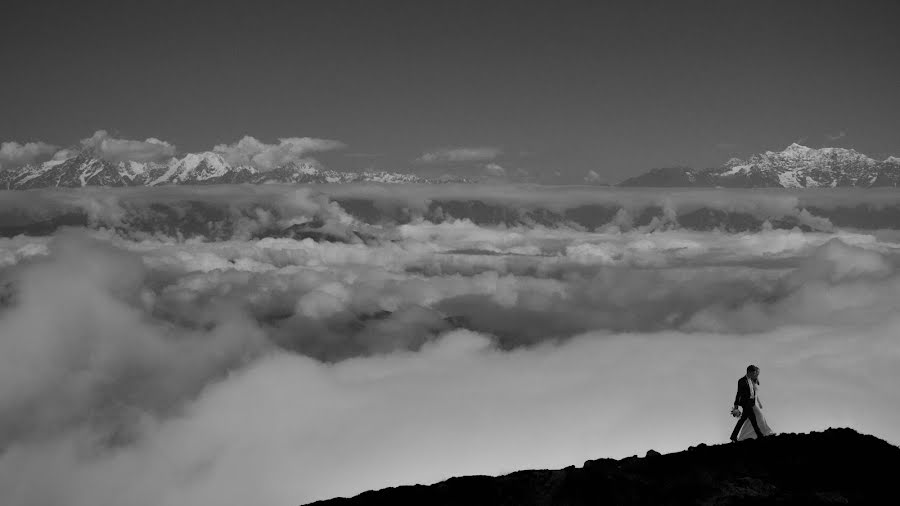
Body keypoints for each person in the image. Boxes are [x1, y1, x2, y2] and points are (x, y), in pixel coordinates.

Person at [729, 364, 771, 442]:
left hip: (751, 403)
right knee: (753, 420)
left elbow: (753, 392)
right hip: (746, 403)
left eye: (755, 373)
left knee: (742, 420)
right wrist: (736, 406)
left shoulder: (751, 380)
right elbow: (738, 393)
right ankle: (760, 436)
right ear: (749, 372)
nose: (754, 374)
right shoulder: (741, 381)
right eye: (753, 373)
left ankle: (733, 436)